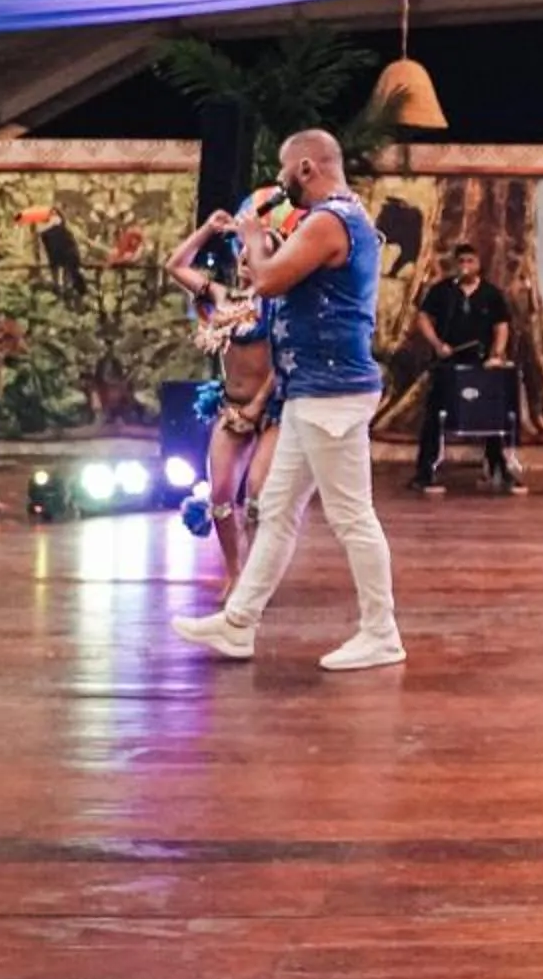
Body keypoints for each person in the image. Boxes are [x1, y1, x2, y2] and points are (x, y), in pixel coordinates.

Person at [173, 130, 404, 671]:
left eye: (282, 172)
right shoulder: (343, 219)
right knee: (277, 512)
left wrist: (253, 233)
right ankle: (238, 624)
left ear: (305, 167)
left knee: (352, 517)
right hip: (310, 391)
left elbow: (270, 280)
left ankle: (381, 631)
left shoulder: (332, 220)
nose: (278, 185)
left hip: (333, 392)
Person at [165, 189, 294, 594]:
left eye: (255, 251)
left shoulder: (279, 303)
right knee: (220, 494)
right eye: (241, 251)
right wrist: (207, 229)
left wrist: (258, 406)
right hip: (230, 406)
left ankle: (257, 580)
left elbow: (283, 361)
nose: (244, 258)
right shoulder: (223, 297)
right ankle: (235, 572)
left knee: (257, 493)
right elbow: (175, 265)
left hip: (271, 410)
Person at [410, 242, 519, 494]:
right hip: (448, 363)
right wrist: (438, 344)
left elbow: (501, 326)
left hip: (480, 362)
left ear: (478, 263)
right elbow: (424, 317)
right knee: (435, 415)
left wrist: (497, 353)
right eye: (462, 262)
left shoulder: (491, 293)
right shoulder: (443, 291)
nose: (466, 266)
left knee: (491, 413)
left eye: (471, 261)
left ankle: (498, 466)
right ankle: (425, 471)